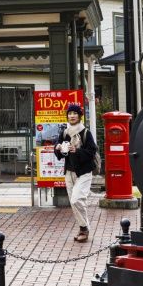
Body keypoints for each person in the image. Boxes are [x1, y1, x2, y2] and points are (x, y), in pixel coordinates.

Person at [55, 103, 98, 242]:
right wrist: (58, 148)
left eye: (75, 113)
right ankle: (83, 228)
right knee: (75, 202)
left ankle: (84, 228)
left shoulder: (85, 132)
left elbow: (92, 151)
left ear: (79, 116)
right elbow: (59, 152)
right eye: (70, 113)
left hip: (84, 172)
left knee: (76, 199)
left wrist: (77, 151)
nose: (72, 116)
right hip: (69, 172)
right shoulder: (64, 132)